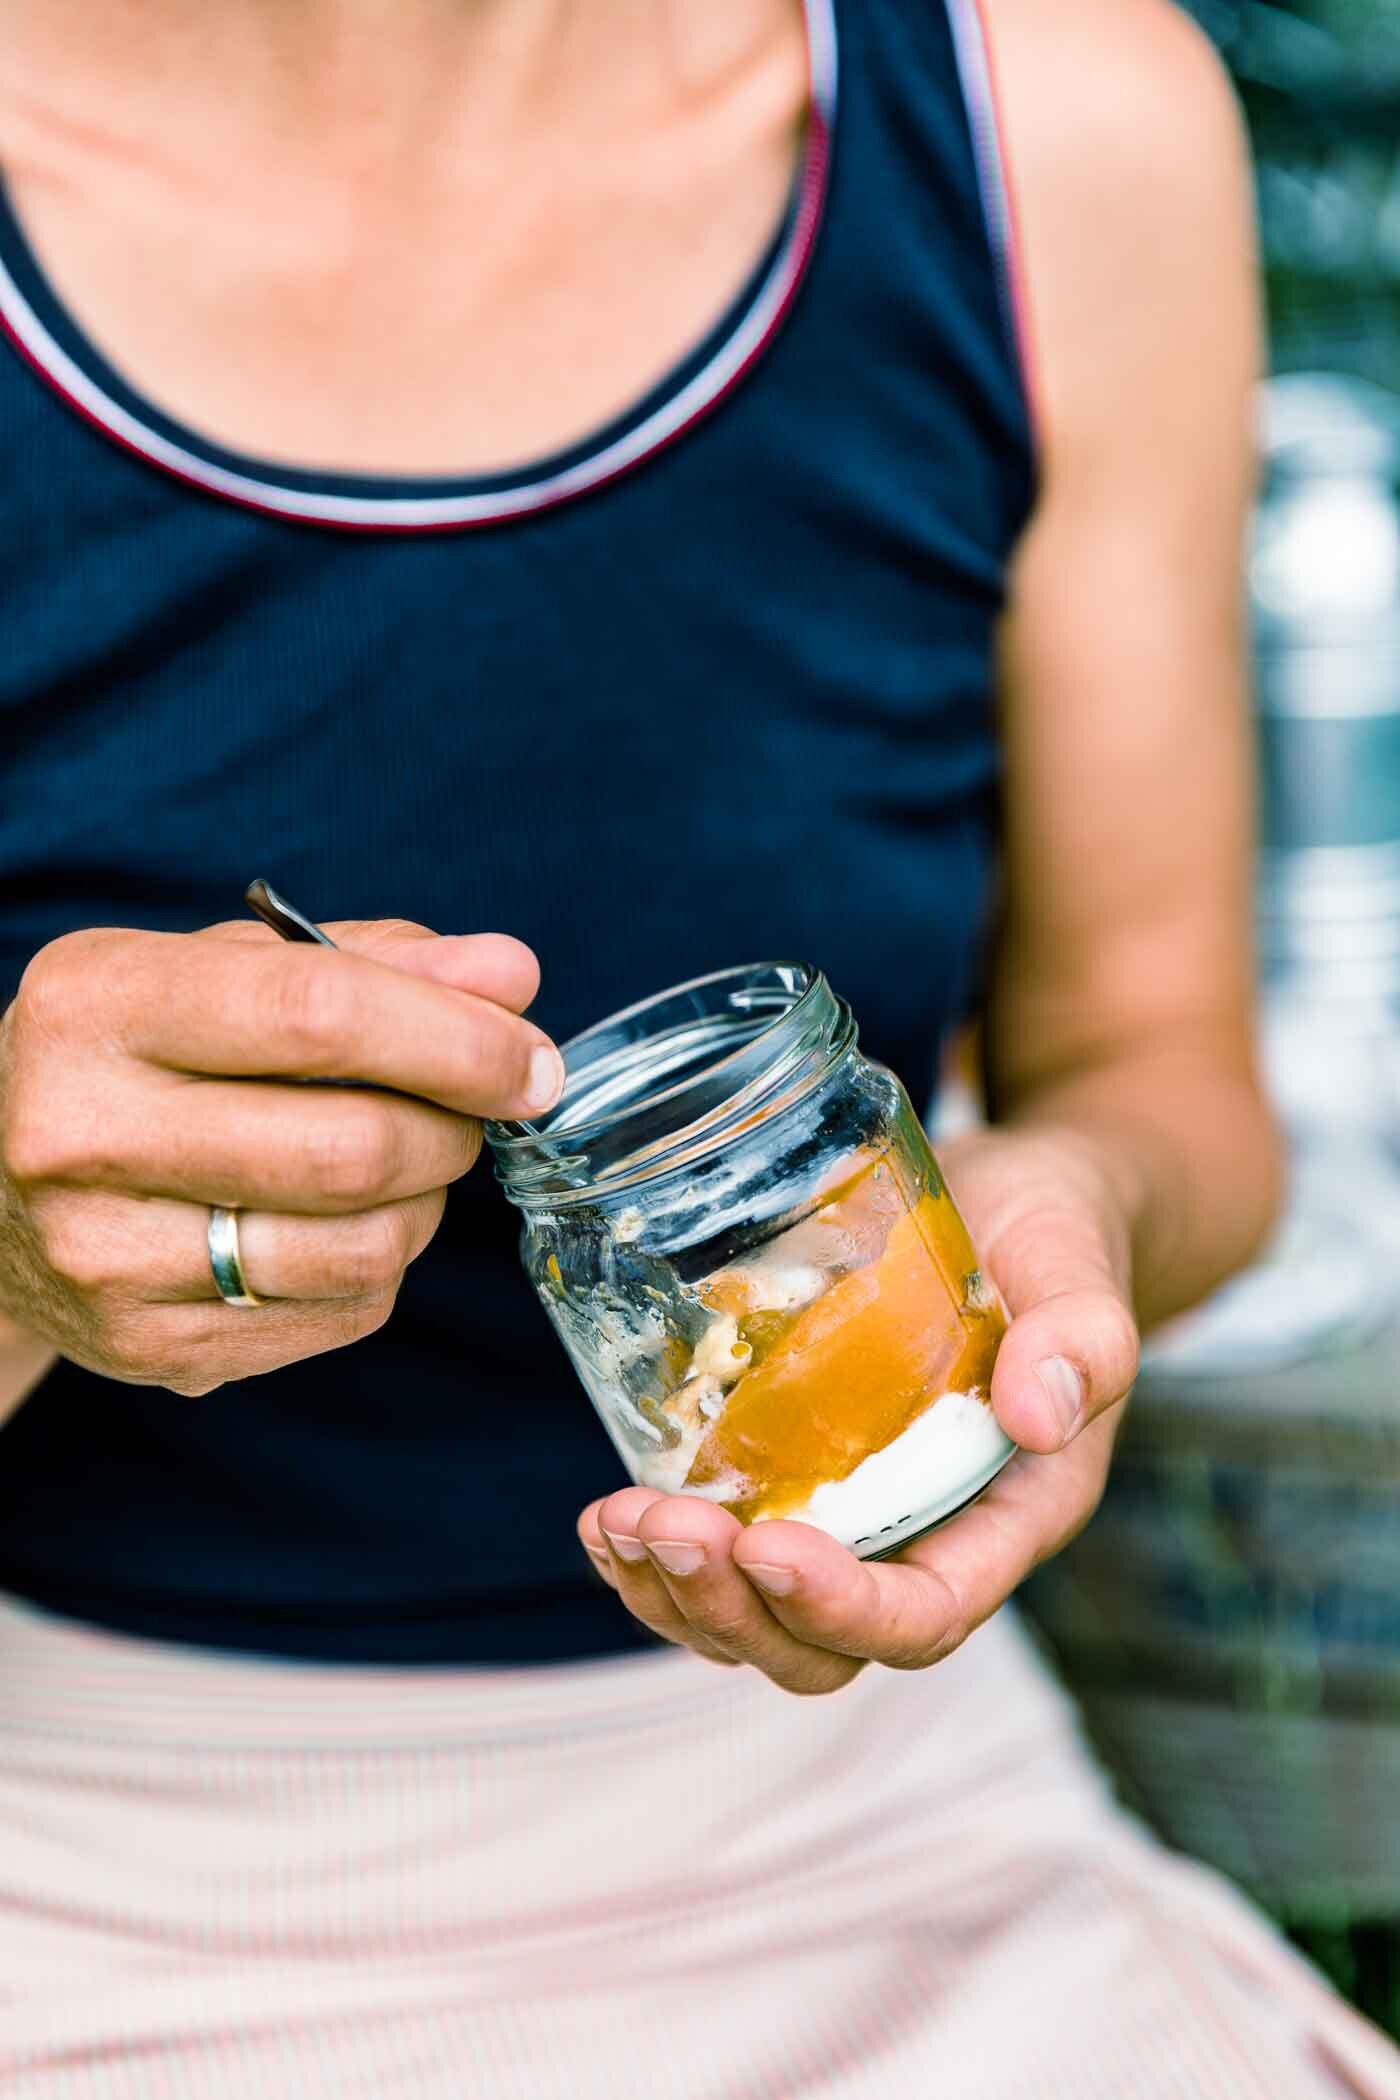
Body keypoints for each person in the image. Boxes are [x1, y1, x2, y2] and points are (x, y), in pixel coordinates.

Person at [0, 0, 1397, 2092]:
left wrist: (1071, 1209)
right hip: (77, 1878)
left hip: (879, 1838)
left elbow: (1150, 1064)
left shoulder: (1047, 124)